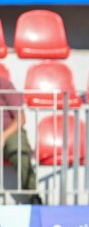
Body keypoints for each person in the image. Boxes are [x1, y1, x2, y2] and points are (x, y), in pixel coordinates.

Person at [0, 75, 42, 204]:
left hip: (9, 132)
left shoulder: (4, 85)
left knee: (18, 150)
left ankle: (34, 197)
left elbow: (21, 118)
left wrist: (3, 137)